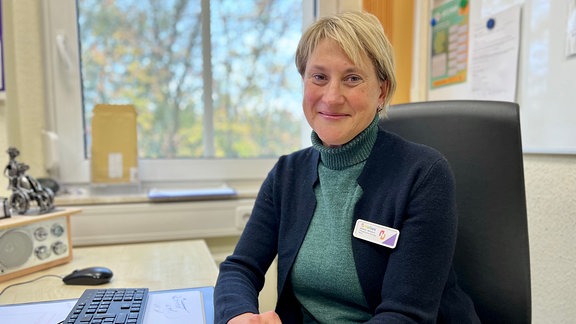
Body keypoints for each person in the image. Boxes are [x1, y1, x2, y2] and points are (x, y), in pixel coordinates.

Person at [214, 11, 480, 324]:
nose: (331, 96)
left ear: (381, 91)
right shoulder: (287, 174)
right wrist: (238, 316)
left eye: (352, 78)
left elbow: (405, 315)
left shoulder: (424, 175)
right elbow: (240, 268)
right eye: (319, 77)